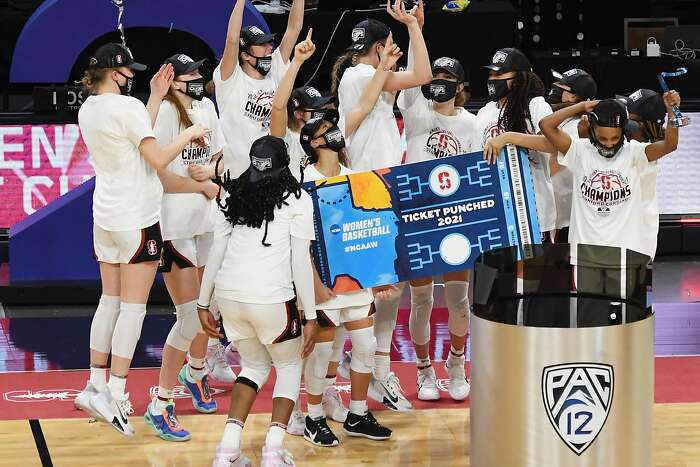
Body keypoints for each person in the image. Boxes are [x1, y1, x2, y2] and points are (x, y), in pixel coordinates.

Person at [74, 43, 209, 436]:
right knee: (133, 309)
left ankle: (95, 384)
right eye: (128, 70)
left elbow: (137, 141)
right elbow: (158, 159)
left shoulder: (89, 108)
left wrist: (153, 97)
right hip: (137, 217)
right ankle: (116, 392)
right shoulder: (127, 108)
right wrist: (192, 134)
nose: (131, 75)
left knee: (109, 300)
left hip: (107, 216)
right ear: (116, 73)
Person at [333, 0, 432, 412]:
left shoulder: (362, 73)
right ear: (380, 46)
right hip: (368, 191)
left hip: (378, 187)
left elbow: (415, 75)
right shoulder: (360, 75)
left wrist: (413, 31)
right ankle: (360, 369)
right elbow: (422, 76)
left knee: (382, 291)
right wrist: (412, 30)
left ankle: (376, 369)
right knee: (367, 293)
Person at [198, 135, 318, 467]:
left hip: (229, 296)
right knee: (290, 366)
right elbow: (300, 263)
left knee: (253, 366)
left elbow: (216, 252)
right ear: (285, 165)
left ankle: (227, 449)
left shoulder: (229, 194)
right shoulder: (298, 200)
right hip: (270, 298)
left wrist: (203, 303)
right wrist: (310, 316)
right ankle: (274, 450)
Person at [143, 53, 227, 442]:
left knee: (214, 308)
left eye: (198, 73)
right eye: (189, 74)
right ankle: (160, 402)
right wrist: (201, 186)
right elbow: (159, 174)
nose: (196, 79)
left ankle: (195, 372)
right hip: (175, 225)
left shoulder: (207, 106)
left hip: (210, 222)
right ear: (173, 80)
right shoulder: (165, 115)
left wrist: (213, 172)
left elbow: (221, 158)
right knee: (190, 315)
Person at [397, 50, 474, 400]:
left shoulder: (470, 124)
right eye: (434, 78)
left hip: (455, 220)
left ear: (459, 87)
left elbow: (475, 176)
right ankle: (424, 370)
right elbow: (415, 71)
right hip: (417, 217)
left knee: (459, 301)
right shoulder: (415, 111)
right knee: (422, 300)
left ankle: (456, 364)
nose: (438, 84)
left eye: (447, 79)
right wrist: (415, 25)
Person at [539, 94, 681, 259]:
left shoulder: (635, 153)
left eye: (615, 138)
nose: (608, 143)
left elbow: (670, 145)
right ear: (592, 130)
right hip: (585, 253)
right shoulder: (579, 151)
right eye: (602, 138)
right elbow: (546, 125)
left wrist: (671, 112)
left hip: (624, 252)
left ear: (624, 132)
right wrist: (581, 106)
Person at [474, 47, 557, 241]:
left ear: (520, 78)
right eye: (491, 74)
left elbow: (553, 144)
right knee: (495, 270)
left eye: (500, 74)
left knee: (533, 271)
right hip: (496, 210)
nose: (493, 79)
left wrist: (509, 137)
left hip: (534, 209)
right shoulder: (484, 112)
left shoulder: (536, 105)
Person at [214, 0, 305, 176]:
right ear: (245, 55)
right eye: (262, 45)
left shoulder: (274, 70)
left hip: (273, 171)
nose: (269, 47)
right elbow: (232, 40)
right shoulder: (230, 79)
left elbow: (294, 28)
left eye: (269, 43)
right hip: (238, 175)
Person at [621, 88, 668, 261]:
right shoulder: (639, 145)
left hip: (637, 229)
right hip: (628, 224)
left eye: (630, 118)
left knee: (634, 284)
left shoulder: (644, 151)